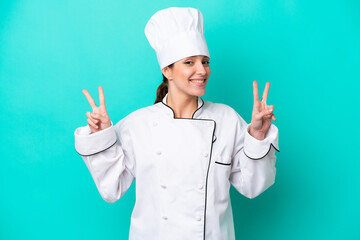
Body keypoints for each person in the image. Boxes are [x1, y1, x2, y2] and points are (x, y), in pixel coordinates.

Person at [74, 7, 280, 240]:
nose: (201, 70)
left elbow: (253, 187)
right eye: (189, 62)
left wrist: (257, 136)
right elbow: (112, 189)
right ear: (167, 70)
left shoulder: (227, 119)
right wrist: (102, 136)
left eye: (205, 62)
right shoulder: (139, 124)